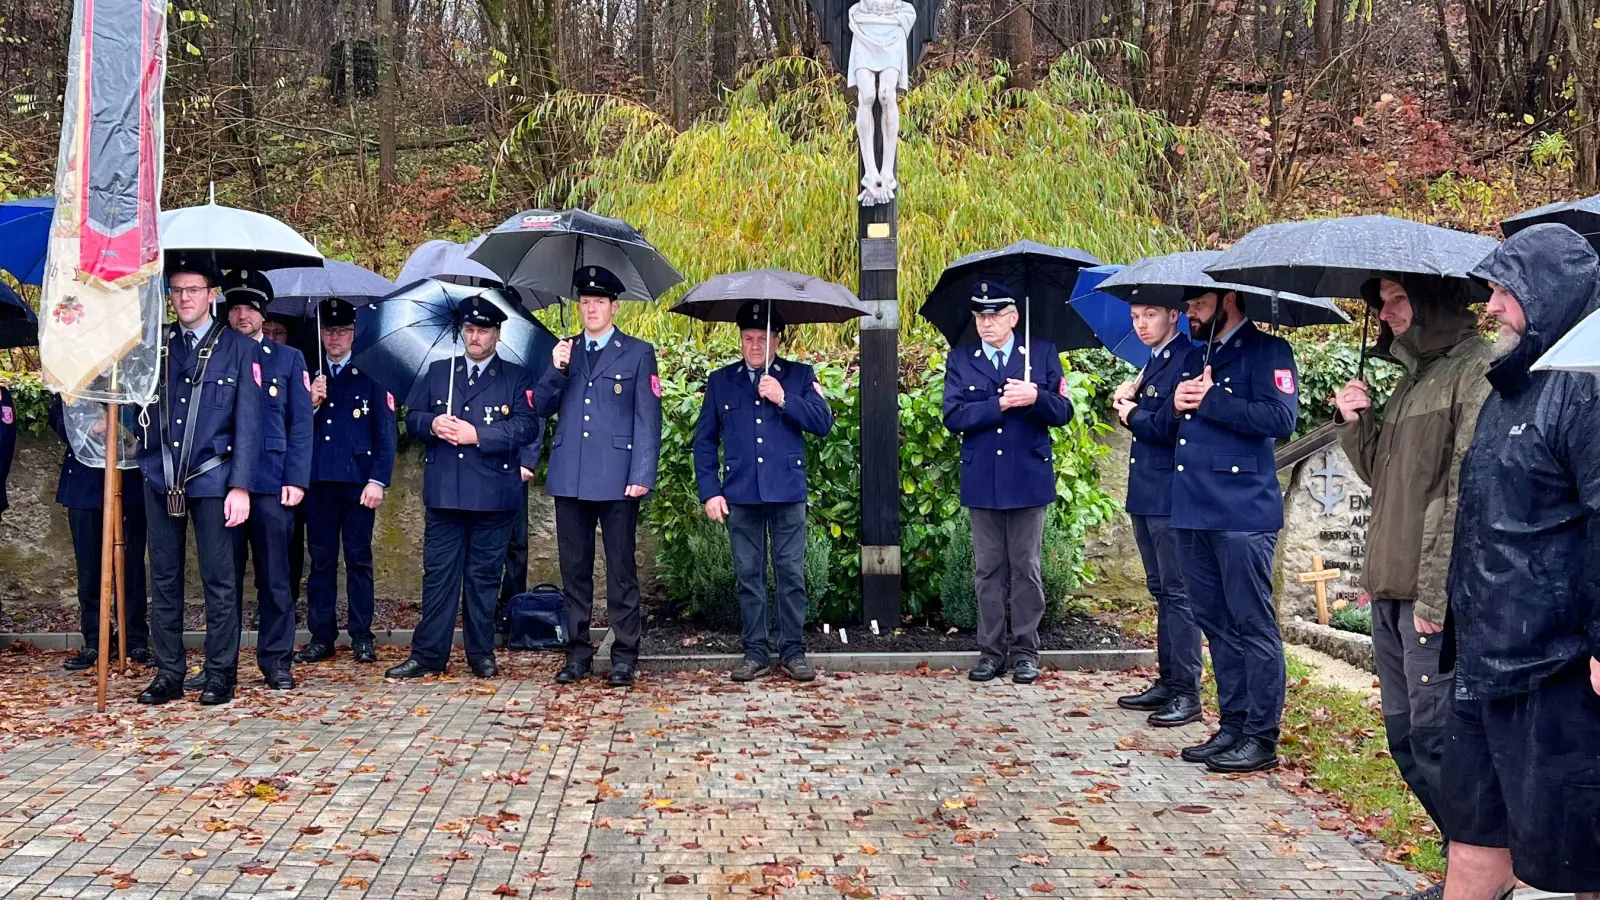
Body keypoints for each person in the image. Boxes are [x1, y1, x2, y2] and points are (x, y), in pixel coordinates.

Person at [1437, 224, 1600, 900]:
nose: (1492, 306)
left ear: (1551, 294)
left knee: (1563, 864)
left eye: (1505, 291)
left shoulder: (1587, 393)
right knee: (1473, 838)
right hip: (1483, 661)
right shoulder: (1510, 388)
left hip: (1553, 671)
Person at [1332, 276, 1492, 875]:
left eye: (1397, 298)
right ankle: (1468, 868)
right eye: (1381, 301)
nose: (1385, 311)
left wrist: (1435, 593)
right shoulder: (1410, 379)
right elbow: (1385, 480)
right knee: (1406, 743)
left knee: (1436, 741)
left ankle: (1477, 872)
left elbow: (1463, 493)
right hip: (1389, 590)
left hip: (1429, 598)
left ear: (1431, 300)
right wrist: (1357, 423)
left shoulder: (1473, 371)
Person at [1166, 287, 1298, 773]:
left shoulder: (1268, 351)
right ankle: (1234, 724)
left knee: (1252, 624)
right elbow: (1172, 425)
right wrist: (1177, 403)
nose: (1188, 312)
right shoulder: (1197, 355)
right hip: (1194, 510)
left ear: (1229, 299)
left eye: (1197, 301)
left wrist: (1211, 399)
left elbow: (1281, 419)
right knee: (1217, 623)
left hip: (1243, 514)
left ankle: (1261, 737)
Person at [389, 295, 541, 679]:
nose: (475, 337)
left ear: (497, 334)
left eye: (483, 330)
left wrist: (478, 434)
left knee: (483, 578)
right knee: (438, 575)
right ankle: (428, 655)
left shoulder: (515, 377)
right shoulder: (441, 371)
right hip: (446, 492)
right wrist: (432, 425)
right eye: (470, 330)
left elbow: (527, 426)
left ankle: (481, 653)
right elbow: (413, 418)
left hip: (492, 495)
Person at [135, 256, 262, 707]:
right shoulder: (156, 345)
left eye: (193, 290)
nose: (184, 298)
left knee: (220, 579)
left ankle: (220, 673)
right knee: (164, 578)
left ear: (213, 295)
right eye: (177, 290)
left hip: (215, 479)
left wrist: (242, 486)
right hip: (160, 476)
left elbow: (250, 424)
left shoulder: (240, 349)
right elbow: (135, 404)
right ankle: (168, 672)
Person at [693, 301, 834, 683]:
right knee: (748, 576)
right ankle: (755, 651)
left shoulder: (800, 376)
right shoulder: (722, 380)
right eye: (748, 338)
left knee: (790, 574)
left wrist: (784, 398)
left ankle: (793, 651)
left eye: (763, 338)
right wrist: (710, 492)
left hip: (787, 492)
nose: (755, 346)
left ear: (778, 340)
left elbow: (824, 423)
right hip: (741, 493)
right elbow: (704, 441)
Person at [940, 281, 1072, 685]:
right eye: (980, 316)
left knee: (1026, 567)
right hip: (983, 478)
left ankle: (1026, 651)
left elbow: (1063, 412)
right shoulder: (963, 359)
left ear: (1014, 317)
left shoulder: (1042, 353)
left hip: (1027, 476)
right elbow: (953, 416)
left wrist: (1036, 397)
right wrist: (997, 404)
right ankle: (990, 651)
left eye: (994, 315)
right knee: (987, 570)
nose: (986, 323)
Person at [537, 266, 662, 688]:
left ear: (614, 306)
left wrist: (642, 471)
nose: (591, 309)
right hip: (571, 476)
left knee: (621, 569)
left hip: (616, 478)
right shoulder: (564, 350)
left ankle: (624, 655)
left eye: (599, 302)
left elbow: (648, 417)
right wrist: (555, 368)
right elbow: (541, 406)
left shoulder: (638, 351)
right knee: (574, 570)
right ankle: (576, 653)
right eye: (585, 302)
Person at [214, 270, 312, 691]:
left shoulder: (288, 359)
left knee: (275, 578)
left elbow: (300, 425)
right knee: (224, 580)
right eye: (234, 307)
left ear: (263, 312)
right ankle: (222, 665)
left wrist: (297, 479)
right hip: (222, 482)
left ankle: (276, 660)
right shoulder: (214, 355)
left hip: (273, 483)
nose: (241, 315)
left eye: (249, 308)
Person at [1111, 303, 1203, 727]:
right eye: (1134, 317)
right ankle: (1167, 681)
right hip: (1146, 492)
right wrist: (1129, 398)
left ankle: (1187, 691)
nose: (1140, 324)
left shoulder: (1189, 358)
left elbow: (1171, 427)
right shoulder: (1151, 363)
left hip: (1170, 494)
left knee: (1178, 592)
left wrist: (1132, 413)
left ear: (1173, 315)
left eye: (1149, 315)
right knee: (1161, 590)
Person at [297, 299, 395, 666]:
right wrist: (311, 403)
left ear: (353, 333)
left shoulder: (371, 372)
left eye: (341, 331)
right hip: (318, 480)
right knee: (320, 562)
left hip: (357, 482)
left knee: (358, 559)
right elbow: (292, 428)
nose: (334, 338)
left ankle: (361, 634)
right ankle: (322, 635)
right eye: (328, 331)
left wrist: (378, 480)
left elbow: (385, 433)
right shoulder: (309, 373)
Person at [50, 397, 153, 671]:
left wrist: (124, 427)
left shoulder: (134, 373)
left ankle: (135, 640)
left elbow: (150, 418)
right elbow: (58, 419)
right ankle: (95, 640)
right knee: (89, 570)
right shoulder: (76, 377)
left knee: (131, 569)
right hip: (85, 486)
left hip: (129, 482)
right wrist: (90, 426)